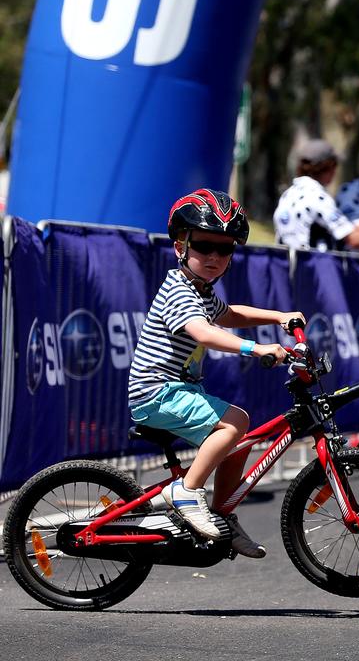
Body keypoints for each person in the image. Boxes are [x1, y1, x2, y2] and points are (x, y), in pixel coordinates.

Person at [128, 188, 302, 558]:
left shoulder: (202, 290)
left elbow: (231, 314)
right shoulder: (178, 289)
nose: (214, 256)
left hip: (177, 390)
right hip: (157, 392)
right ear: (180, 247)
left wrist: (279, 317)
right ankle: (187, 492)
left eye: (225, 249)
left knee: (240, 441)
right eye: (204, 245)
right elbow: (203, 330)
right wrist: (255, 349)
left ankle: (222, 515)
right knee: (235, 422)